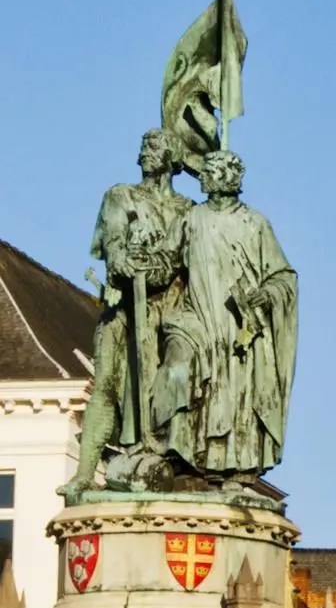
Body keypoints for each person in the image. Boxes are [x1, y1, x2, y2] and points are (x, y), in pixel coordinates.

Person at [60, 129, 191, 499]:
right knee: (105, 383)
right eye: (144, 146)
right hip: (124, 308)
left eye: (156, 147)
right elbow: (113, 248)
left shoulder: (186, 210)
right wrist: (125, 260)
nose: (147, 152)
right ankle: (84, 475)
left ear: (173, 158)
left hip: (168, 312)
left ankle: (164, 457)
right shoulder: (121, 196)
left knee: (170, 382)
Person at [154, 149, 297, 485]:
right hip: (196, 320)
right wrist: (136, 263)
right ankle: (176, 448)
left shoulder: (255, 224)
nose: (202, 177)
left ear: (225, 178)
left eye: (208, 172)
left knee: (235, 395)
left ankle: (232, 465)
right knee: (176, 369)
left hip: (237, 325)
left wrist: (268, 293)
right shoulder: (191, 219)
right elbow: (165, 262)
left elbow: (284, 276)